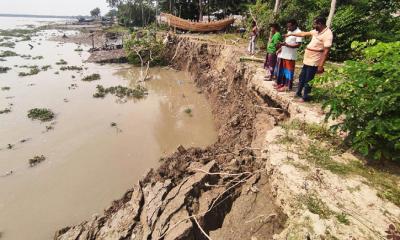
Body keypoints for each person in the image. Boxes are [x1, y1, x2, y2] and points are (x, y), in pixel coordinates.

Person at [285, 16, 333, 102]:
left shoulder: (328, 34)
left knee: (309, 79)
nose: (313, 26)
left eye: (315, 24)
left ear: (320, 24)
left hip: (315, 59)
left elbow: (326, 52)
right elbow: (303, 34)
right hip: (308, 58)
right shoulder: (316, 31)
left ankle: (305, 97)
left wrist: (321, 65)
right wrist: (291, 34)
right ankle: (298, 93)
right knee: (302, 77)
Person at [274, 19, 303, 91]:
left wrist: (286, 45)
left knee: (289, 71)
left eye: (290, 26)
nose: (288, 28)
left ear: (295, 25)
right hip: (284, 54)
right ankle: (283, 84)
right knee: (284, 70)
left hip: (290, 56)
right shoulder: (290, 31)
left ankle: (288, 86)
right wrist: (281, 48)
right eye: (288, 27)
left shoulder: (299, 32)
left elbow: (298, 45)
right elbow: (286, 42)